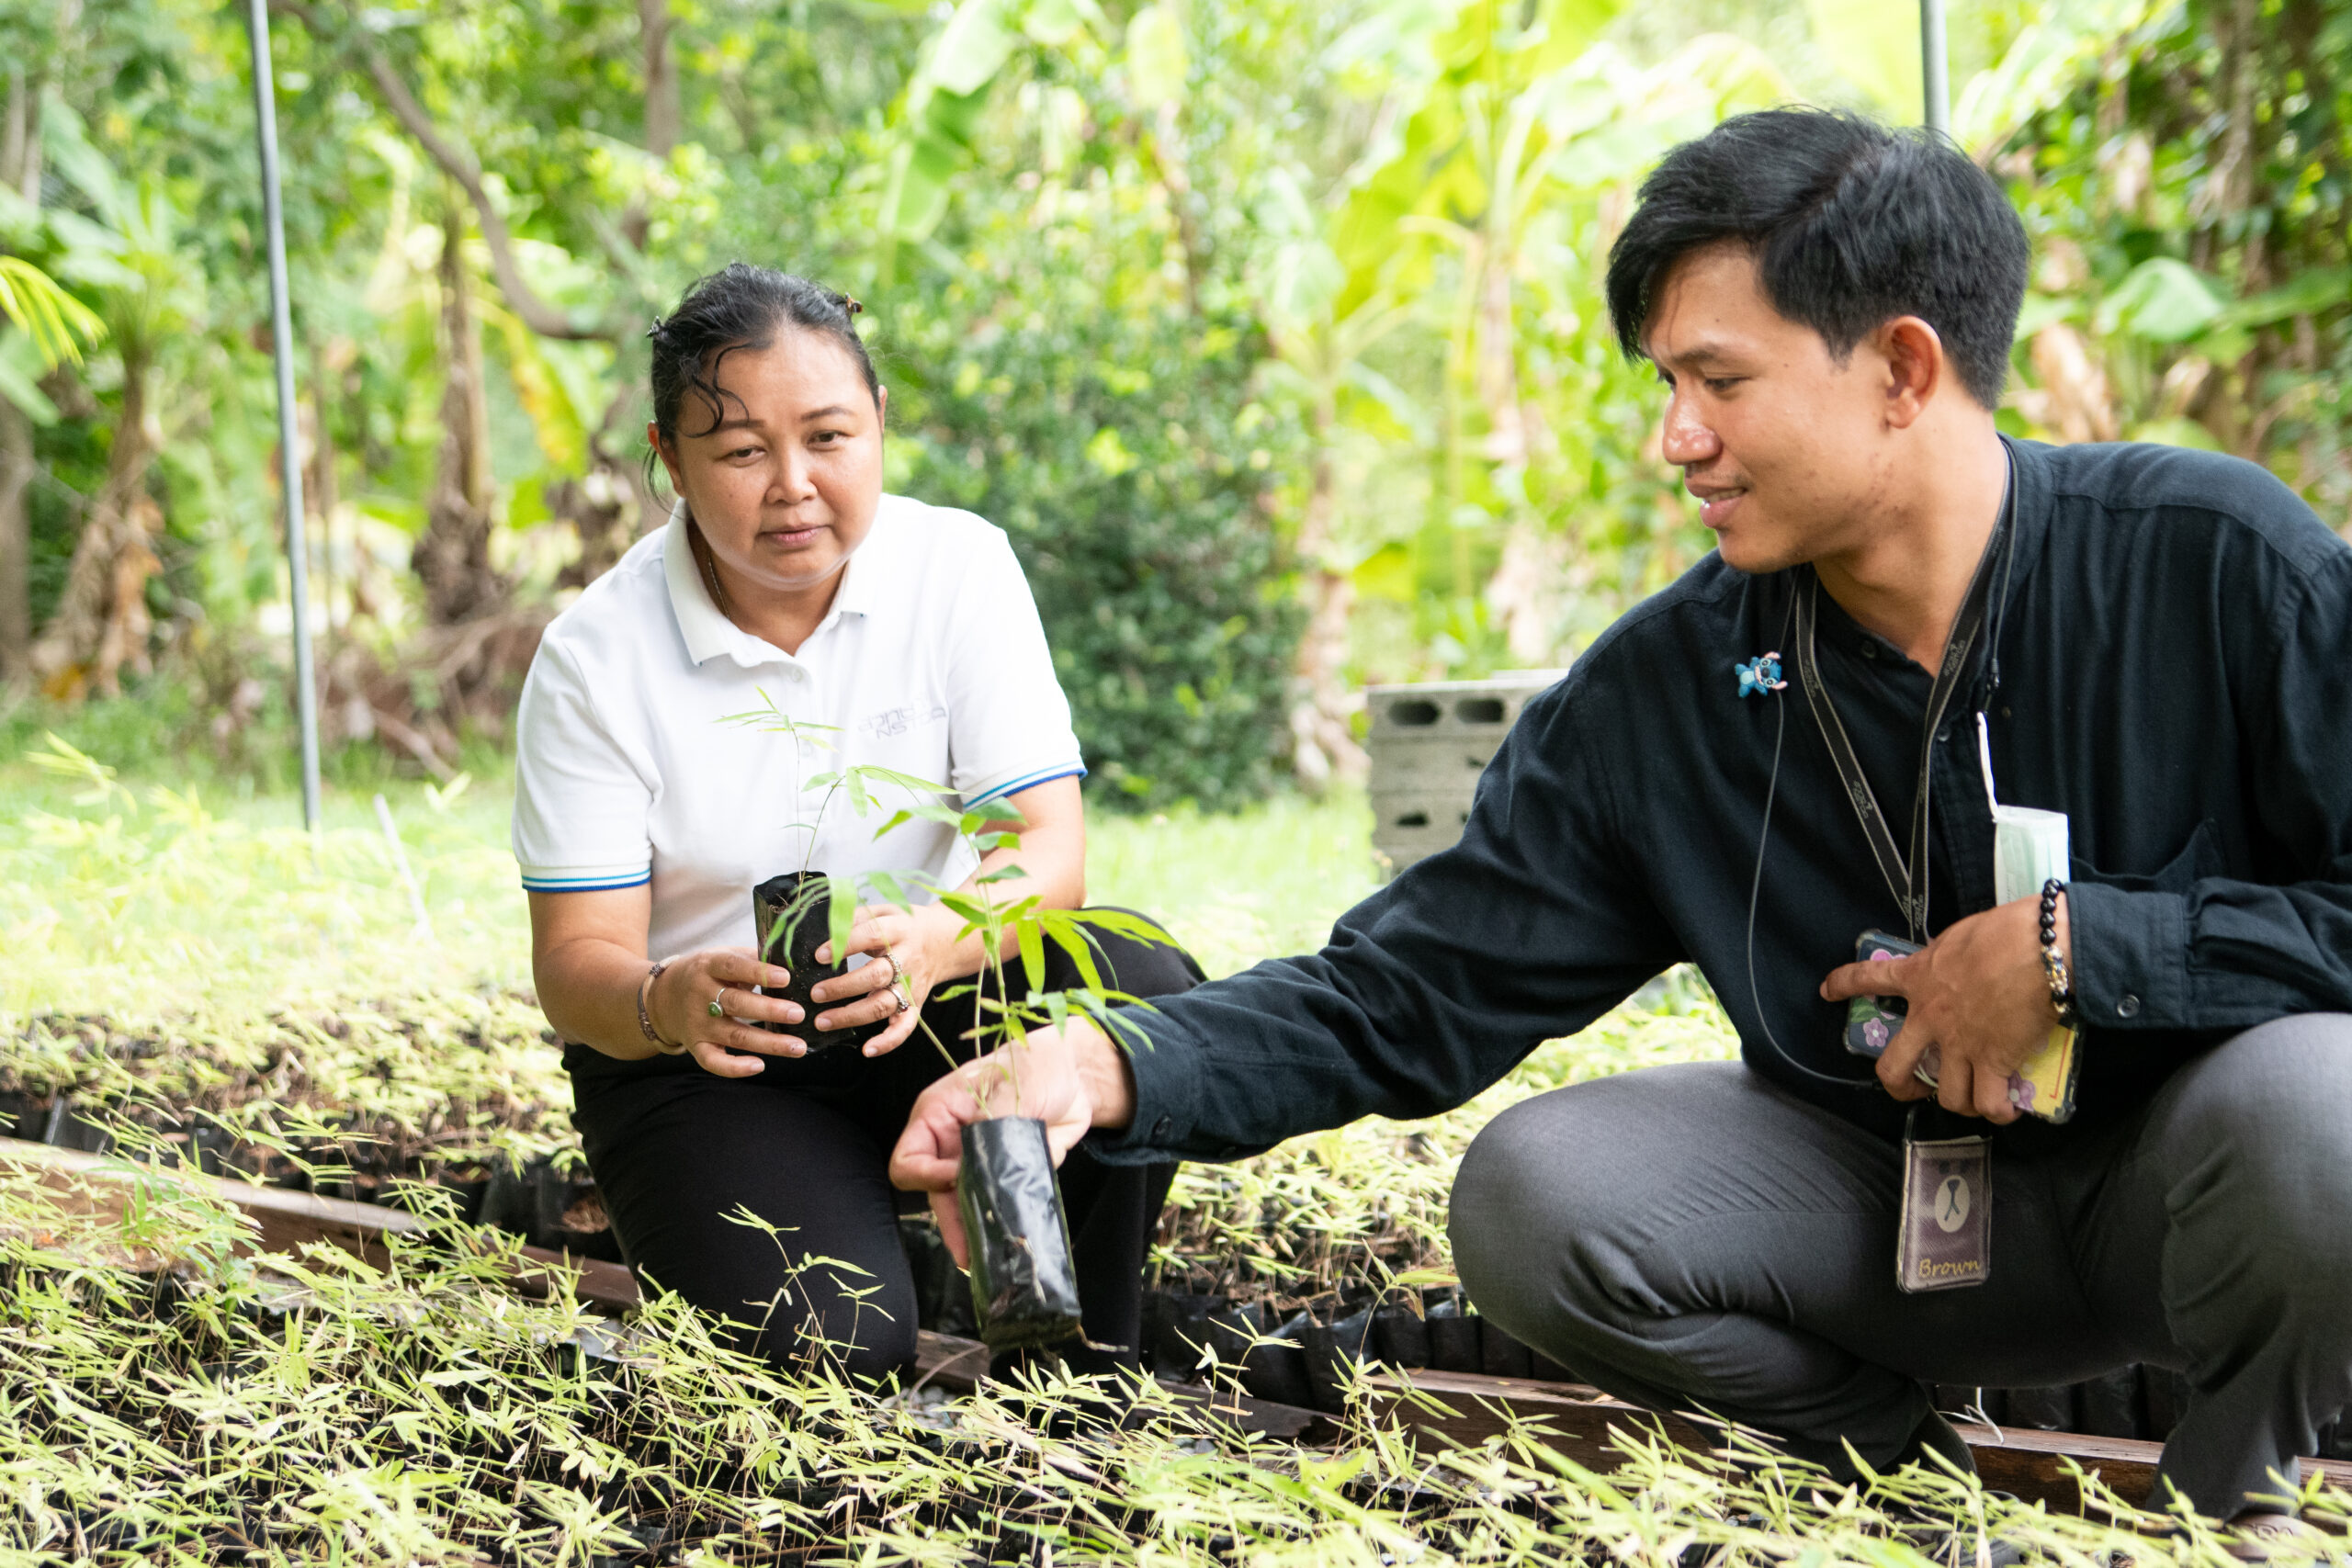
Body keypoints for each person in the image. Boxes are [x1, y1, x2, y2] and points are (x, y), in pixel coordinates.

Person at [892, 110, 2352, 1546]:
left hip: (2201, 1202)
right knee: (1540, 1193)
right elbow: (1409, 989)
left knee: (2322, 1106)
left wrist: (2093, 948)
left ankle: (2232, 1512)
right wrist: (1109, 1060)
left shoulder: (2217, 563)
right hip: (1882, 1208)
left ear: (1903, 367)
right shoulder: (1669, 688)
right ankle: (1918, 1498)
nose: (1676, 438)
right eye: (1665, 382)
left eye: (1718, 379)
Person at [514, 264, 1197, 1382]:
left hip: (929, 998)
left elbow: (1043, 846)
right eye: (739, 452)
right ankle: (831, 1234)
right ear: (668, 457)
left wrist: (936, 941)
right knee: (830, 1354)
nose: (793, 485)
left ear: (878, 423)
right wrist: (665, 999)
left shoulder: (956, 569)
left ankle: (1077, 1360)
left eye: (829, 437)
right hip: (712, 1063)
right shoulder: (597, 657)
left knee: (1135, 988)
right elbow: (576, 966)